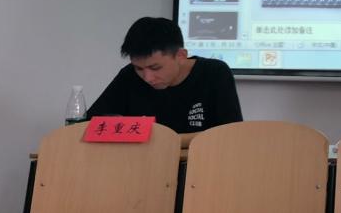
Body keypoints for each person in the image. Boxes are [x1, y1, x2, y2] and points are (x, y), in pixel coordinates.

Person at [87, 16, 243, 133]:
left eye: (155, 68)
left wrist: (165, 141)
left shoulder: (214, 73)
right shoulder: (129, 75)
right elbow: (89, 124)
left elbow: (231, 133)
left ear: (181, 56)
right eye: (139, 69)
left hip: (201, 162)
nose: (147, 78)